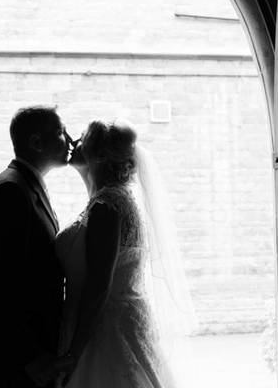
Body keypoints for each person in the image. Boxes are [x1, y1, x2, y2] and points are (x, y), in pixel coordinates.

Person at [55, 119, 194, 388]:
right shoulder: (116, 200)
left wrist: (73, 354)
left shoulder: (106, 207)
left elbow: (98, 286)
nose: (73, 142)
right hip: (117, 323)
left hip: (103, 332)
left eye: (81, 139)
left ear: (99, 155)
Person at [0, 105, 75, 388]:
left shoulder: (26, 185)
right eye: (61, 132)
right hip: (10, 363)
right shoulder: (11, 192)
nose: (70, 141)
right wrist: (31, 357)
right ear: (36, 142)